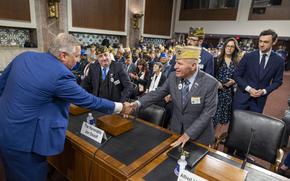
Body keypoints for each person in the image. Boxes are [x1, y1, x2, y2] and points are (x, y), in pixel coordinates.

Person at [0, 33, 133, 180]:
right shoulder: (60, 74)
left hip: (5, 130)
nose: (78, 60)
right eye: (76, 56)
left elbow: (1, 86)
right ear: (63, 55)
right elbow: (89, 100)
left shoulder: (24, 57)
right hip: (25, 143)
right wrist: (121, 107)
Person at [131, 46, 219, 147]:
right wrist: (137, 104)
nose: (175, 66)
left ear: (193, 66)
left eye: (179, 63)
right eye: (176, 62)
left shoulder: (210, 83)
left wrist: (188, 134)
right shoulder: (173, 77)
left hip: (199, 138)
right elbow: (157, 93)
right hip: (176, 132)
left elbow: (207, 113)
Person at [233, 29, 284, 113]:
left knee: (253, 126)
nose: (261, 44)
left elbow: (278, 81)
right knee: (235, 125)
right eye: (260, 41)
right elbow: (236, 75)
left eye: (266, 42)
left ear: (274, 42)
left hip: (259, 102)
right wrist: (249, 89)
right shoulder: (248, 56)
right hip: (241, 99)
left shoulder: (279, 61)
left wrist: (264, 91)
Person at [212, 38, 241, 136]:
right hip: (216, 93)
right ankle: (209, 138)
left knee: (222, 120)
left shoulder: (236, 63)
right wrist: (219, 84)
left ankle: (216, 139)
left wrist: (234, 81)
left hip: (228, 94)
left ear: (235, 49)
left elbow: (238, 77)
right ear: (224, 47)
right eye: (228, 46)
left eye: (232, 46)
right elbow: (210, 77)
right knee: (212, 118)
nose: (229, 48)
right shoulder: (216, 60)